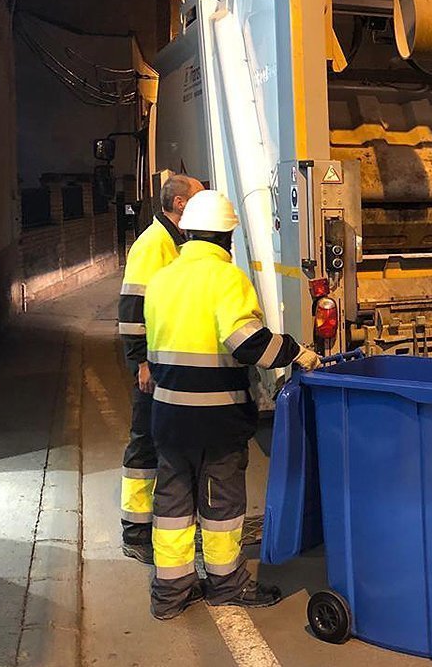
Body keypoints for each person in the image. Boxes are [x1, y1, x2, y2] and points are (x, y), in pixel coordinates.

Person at [143, 190, 321, 620]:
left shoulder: (162, 279)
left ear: (187, 233)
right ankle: (227, 584)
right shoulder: (227, 279)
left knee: (172, 503)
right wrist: (297, 351)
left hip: (167, 416)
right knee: (220, 506)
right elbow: (248, 344)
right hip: (214, 418)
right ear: (226, 238)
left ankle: (171, 593)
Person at [118, 174, 204, 564]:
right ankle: (136, 531)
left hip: (163, 361)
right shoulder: (154, 244)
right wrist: (140, 360)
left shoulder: (173, 241)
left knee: (162, 440)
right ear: (181, 204)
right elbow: (133, 307)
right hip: (151, 364)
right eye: (199, 198)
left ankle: (159, 523)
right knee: (145, 441)